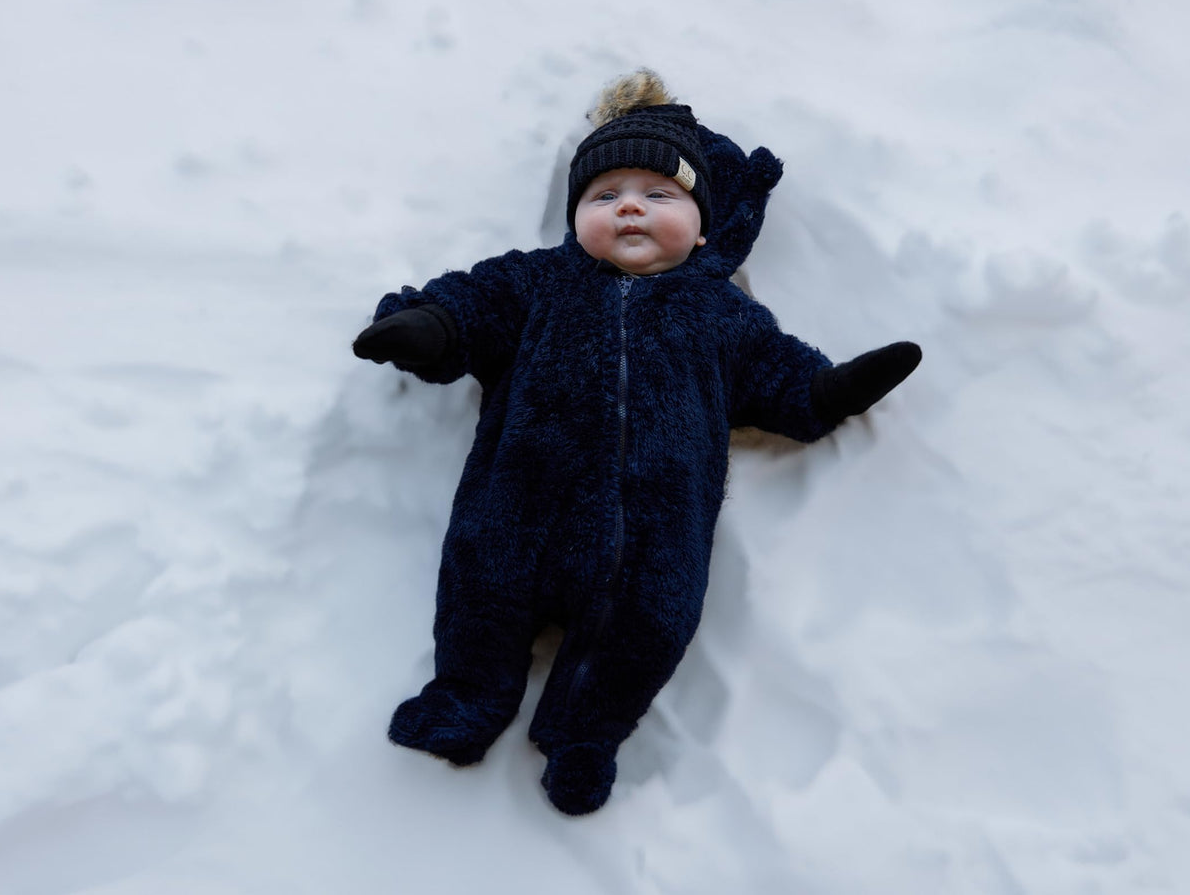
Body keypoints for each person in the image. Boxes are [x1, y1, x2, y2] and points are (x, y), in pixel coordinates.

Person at [352, 69, 921, 815]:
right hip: (517, 505)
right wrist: (430, 327)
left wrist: (828, 391)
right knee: (480, 595)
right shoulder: (539, 282)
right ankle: (466, 697)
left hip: (654, 535)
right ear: (574, 217)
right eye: (603, 195)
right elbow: (473, 303)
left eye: (657, 195)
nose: (628, 206)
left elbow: (776, 375)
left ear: (700, 222)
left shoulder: (719, 312)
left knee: (646, 631)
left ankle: (583, 736)